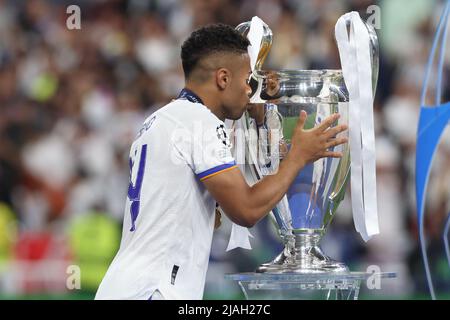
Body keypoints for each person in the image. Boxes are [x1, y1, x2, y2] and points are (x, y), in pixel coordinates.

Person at [95, 23, 347, 300]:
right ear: (223, 79)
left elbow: (208, 216)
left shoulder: (161, 120)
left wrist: (262, 121)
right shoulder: (199, 123)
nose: (250, 91)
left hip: (126, 285)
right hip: (153, 288)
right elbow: (246, 210)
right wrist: (298, 156)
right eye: (247, 81)